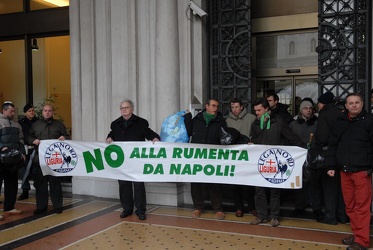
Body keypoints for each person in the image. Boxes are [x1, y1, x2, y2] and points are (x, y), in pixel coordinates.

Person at [326, 93, 372, 250]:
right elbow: (332, 145)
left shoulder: (369, 121)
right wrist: (331, 166)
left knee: (362, 207)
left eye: (357, 102)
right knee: (350, 206)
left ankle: (362, 240)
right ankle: (357, 234)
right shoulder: (340, 122)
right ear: (346, 106)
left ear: (362, 104)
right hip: (344, 171)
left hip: (362, 172)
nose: (354, 105)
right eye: (351, 103)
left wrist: (370, 168)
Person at [249, 97, 305, 227]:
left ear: (267, 109)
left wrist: (303, 150)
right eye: (255, 110)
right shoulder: (255, 124)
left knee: (274, 190)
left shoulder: (278, 122)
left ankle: (274, 216)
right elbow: (253, 139)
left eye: (259, 110)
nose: (256, 113)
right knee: (259, 190)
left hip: (276, 161)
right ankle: (261, 215)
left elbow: (291, 137)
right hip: (260, 161)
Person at [106, 99, 160, 220]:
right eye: (122, 108)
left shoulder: (141, 122)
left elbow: (149, 133)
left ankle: (140, 210)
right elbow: (112, 134)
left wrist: (155, 138)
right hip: (122, 160)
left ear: (132, 109)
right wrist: (109, 137)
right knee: (124, 184)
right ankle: (127, 209)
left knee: (138, 184)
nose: (123, 110)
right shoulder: (115, 124)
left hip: (136, 160)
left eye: (126, 107)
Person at [184, 98, 226, 220]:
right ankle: (198, 207)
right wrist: (187, 117)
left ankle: (218, 209)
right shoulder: (197, 119)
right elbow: (189, 131)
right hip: (197, 155)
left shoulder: (220, 120)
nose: (216, 108)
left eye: (217, 106)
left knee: (214, 183)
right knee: (196, 182)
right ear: (206, 106)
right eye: (213, 105)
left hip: (213, 156)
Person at [311, 91, 346, 225]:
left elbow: (323, 138)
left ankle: (330, 217)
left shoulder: (324, 114)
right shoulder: (340, 113)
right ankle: (342, 216)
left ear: (322, 103)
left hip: (328, 155)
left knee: (329, 188)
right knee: (339, 187)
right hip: (340, 155)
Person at [27, 104, 70, 215]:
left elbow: (67, 137)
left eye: (49, 111)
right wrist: (33, 140)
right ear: (42, 112)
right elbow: (28, 137)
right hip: (40, 160)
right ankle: (41, 207)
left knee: (55, 184)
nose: (47, 112)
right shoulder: (35, 125)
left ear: (53, 112)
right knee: (40, 184)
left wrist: (64, 138)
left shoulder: (59, 125)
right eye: (45, 111)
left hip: (55, 161)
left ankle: (58, 206)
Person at [225, 98, 256, 217]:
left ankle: (252, 207)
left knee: (250, 183)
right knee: (237, 183)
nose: (234, 110)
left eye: (236, 107)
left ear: (241, 107)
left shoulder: (251, 118)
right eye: (232, 107)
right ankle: (239, 207)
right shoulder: (227, 121)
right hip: (235, 156)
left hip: (250, 155)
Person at [289, 100, 318, 216]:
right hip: (298, 158)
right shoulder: (293, 124)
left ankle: (316, 207)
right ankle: (299, 206)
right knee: (299, 182)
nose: (308, 110)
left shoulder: (317, 123)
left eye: (310, 108)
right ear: (301, 110)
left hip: (313, 157)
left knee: (314, 183)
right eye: (305, 108)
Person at [0, 101, 26, 221]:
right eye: (11, 111)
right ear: (4, 111)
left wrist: (22, 153)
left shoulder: (17, 124)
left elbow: (20, 139)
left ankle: (9, 207)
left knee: (12, 183)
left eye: (14, 111)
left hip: (13, 158)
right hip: (1, 158)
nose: (13, 113)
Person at [17, 103, 38, 200]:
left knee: (36, 170)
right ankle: (25, 191)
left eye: (33, 110)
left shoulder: (38, 122)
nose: (32, 112)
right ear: (25, 113)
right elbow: (20, 136)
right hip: (25, 149)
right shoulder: (20, 123)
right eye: (29, 111)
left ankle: (39, 189)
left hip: (36, 149)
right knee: (24, 170)